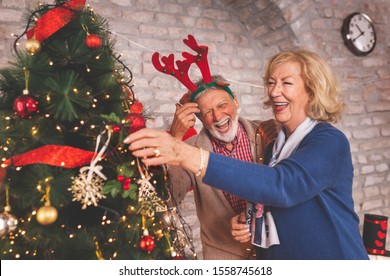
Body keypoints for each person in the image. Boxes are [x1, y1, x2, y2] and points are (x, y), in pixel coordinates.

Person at [124, 48, 369, 260]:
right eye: (271, 83)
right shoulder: (276, 146)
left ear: (312, 91)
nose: (274, 92)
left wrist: (184, 153)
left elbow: (282, 185)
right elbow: (281, 200)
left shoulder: (328, 141)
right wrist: (252, 218)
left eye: (286, 83)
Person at [166, 74, 278, 260]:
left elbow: (289, 187)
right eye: (207, 112)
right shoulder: (190, 149)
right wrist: (175, 140)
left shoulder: (269, 132)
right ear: (199, 117)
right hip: (224, 258)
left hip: (273, 252)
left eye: (222, 105)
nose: (217, 117)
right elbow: (170, 197)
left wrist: (259, 216)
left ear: (235, 100)